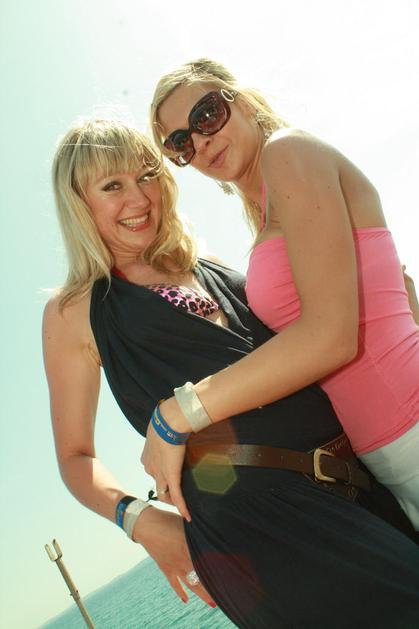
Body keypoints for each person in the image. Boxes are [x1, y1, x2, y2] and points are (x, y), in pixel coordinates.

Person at [43, 118, 419, 629]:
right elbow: (74, 457)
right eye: (112, 185)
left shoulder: (214, 266)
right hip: (266, 530)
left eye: (147, 175)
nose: (139, 197)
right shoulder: (75, 312)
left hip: (360, 482)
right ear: (78, 203)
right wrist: (139, 519)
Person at [146, 58, 419, 532]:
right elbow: (401, 288)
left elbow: (332, 337)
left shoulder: (288, 153)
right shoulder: (267, 210)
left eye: (207, 115)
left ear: (245, 103)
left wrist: (178, 413)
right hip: (389, 456)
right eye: (181, 143)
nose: (201, 141)